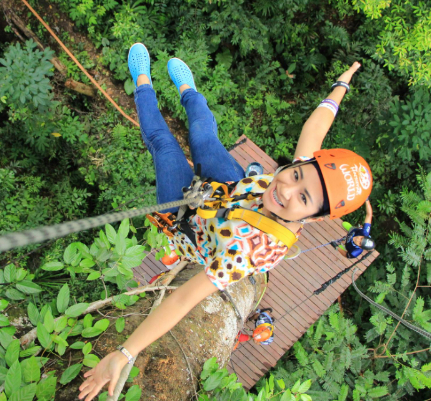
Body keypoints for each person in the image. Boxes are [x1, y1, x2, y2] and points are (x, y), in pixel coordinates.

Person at [78, 43, 372, 401]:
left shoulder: (248, 251)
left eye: (304, 198)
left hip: (187, 218)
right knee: (203, 132)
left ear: (315, 216)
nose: (287, 189)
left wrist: (124, 354)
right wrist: (342, 84)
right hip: (231, 187)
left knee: (164, 145)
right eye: (295, 175)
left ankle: (142, 82)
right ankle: (189, 91)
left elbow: (183, 300)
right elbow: (316, 126)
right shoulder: (298, 178)